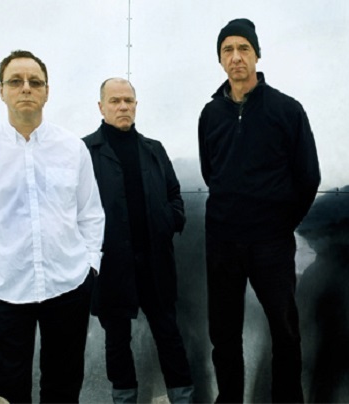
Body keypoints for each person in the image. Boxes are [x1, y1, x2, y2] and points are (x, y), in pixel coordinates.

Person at [0, 50, 105, 403]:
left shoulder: (72, 149)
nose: (26, 88)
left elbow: (90, 214)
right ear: (1, 90)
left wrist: (90, 268)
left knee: (63, 388)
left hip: (68, 285)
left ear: (47, 91)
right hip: (4, 289)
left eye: (35, 82)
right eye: (15, 81)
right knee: (6, 391)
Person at [198, 18, 321, 403]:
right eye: (228, 50)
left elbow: (308, 177)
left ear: (256, 55)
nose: (236, 57)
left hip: (271, 242)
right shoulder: (210, 114)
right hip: (223, 242)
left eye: (243, 48)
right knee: (224, 333)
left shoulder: (286, 110)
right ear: (220, 60)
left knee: (284, 330)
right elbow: (210, 171)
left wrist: (280, 223)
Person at [83, 78, 194, 404]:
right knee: (117, 342)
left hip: (155, 263)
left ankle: (183, 398)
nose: (123, 107)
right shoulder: (86, 152)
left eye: (128, 101)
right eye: (115, 101)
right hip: (111, 266)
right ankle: (124, 400)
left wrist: (169, 220)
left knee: (169, 336)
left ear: (136, 105)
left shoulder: (153, 149)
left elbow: (174, 194)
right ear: (101, 107)